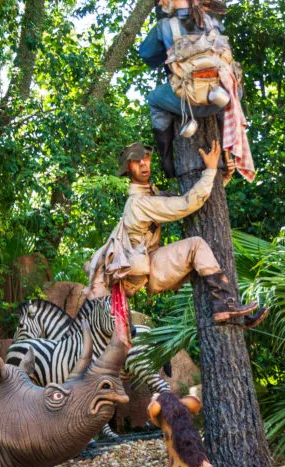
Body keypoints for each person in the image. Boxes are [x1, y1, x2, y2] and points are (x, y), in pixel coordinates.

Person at [85, 142, 266, 328]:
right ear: (127, 168)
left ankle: (234, 315)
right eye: (136, 161)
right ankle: (223, 303)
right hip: (148, 268)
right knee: (196, 245)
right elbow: (186, 204)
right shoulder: (139, 202)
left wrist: (222, 178)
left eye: (146, 159)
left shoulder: (152, 195)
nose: (143, 164)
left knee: (199, 250)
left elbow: (195, 198)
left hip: (151, 262)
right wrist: (211, 170)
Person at [138, 0, 237, 178]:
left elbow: (147, 56)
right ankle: (226, 150)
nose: (160, 3)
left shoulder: (165, 26)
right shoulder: (213, 21)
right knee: (226, 94)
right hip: (222, 98)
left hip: (191, 99)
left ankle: (167, 161)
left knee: (154, 99)